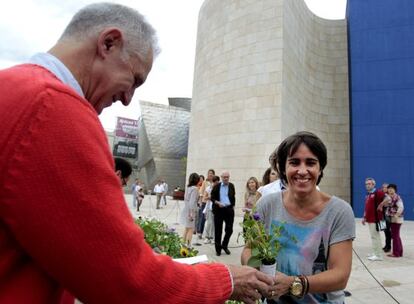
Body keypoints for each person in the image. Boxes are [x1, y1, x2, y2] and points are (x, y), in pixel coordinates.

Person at [0, 3, 277, 303]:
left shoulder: (15, 88)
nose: (128, 99)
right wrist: (223, 279)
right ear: (108, 43)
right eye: (134, 79)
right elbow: (128, 281)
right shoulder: (54, 109)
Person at [241, 131, 355, 303]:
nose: (302, 171)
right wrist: (264, 274)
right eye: (294, 162)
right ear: (282, 168)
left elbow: (340, 275)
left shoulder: (339, 211)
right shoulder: (266, 204)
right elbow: (249, 250)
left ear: (320, 168)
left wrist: (293, 284)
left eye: (311, 162)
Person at [211, 171, 236, 256]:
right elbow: (212, 198)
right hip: (219, 210)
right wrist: (218, 203)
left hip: (229, 210)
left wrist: (232, 206)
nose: (226, 178)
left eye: (227, 177)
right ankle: (218, 249)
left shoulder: (232, 186)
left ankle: (224, 245)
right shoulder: (217, 186)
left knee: (229, 230)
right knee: (218, 230)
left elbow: (233, 197)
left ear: (229, 177)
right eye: (224, 177)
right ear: (221, 177)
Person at [362, 177, 387, 261]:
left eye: (369, 184)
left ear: (373, 184)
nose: (367, 185)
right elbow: (367, 207)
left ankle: (378, 255)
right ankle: (375, 252)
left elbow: (388, 198)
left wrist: (381, 204)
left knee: (375, 236)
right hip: (369, 219)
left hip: (376, 219)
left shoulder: (378, 192)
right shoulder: (368, 194)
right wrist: (364, 217)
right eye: (366, 184)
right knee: (374, 236)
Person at [379, 184, 404, 257]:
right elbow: (386, 205)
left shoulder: (396, 197)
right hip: (386, 218)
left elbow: (401, 207)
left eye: (391, 188)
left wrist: (396, 215)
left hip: (395, 219)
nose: (389, 189)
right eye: (388, 188)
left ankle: (395, 253)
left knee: (394, 235)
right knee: (393, 234)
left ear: (395, 190)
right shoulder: (388, 197)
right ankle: (399, 251)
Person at [180, 173, 200, 246]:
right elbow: (192, 202)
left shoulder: (188, 187)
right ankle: (188, 245)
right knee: (191, 229)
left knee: (186, 228)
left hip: (186, 208)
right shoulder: (195, 189)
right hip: (190, 211)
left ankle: (183, 244)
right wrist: (191, 214)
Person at [197, 169, 215, 240]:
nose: (210, 174)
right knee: (203, 218)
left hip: (212, 203)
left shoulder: (215, 182)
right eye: (209, 173)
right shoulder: (205, 182)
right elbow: (201, 192)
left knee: (211, 220)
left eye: (212, 173)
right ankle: (200, 233)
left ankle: (209, 235)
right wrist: (201, 202)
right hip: (205, 201)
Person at [203, 175, 220, 244]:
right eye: (214, 182)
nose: (215, 183)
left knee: (215, 223)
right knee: (209, 223)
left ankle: (213, 237)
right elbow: (205, 198)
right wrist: (210, 197)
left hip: (217, 208)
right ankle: (207, 237)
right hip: (210, 207)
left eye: (217, 182)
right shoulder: (208, 188)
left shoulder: (220, 188)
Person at [380, 183, 392, 253]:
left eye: (386, 187)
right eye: (383, 187)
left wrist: (382, 203)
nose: (384, 188)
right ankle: (386, 245)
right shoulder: (382, 195)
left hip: (387, 215)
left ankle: (388, 246)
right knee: (384, 230)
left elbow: (386, 204)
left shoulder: (389, 196)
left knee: (387, 231)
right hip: (382, 216)